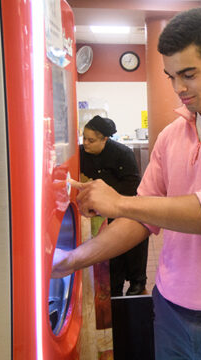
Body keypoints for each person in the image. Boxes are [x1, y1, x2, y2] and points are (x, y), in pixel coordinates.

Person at [53, 8, 201, 359]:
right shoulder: (170, 137)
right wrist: (72, 260)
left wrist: (119, 202)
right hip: (170, 308)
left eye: (188, 74)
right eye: (170, 77)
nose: (179, 88)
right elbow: (140, 219)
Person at [80, 115, 148, 296]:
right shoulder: (81, 154)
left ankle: (137, 283)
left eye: (91, 140)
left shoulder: (122, 153)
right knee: (111, 259)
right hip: (98, 214)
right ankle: (114, 287)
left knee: (133, 248)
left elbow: (132, 184)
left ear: (104, 139)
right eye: (84, 138)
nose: (85, 143)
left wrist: (104, 193)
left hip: (124, 207)